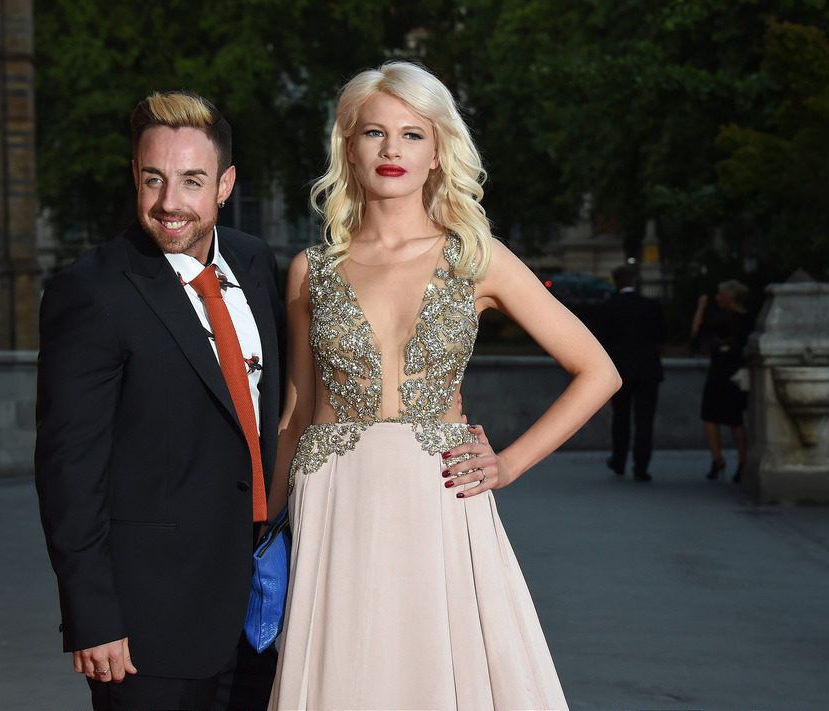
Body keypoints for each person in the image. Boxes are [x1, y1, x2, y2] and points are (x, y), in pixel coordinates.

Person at [265, 62, 621, 710]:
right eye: (374, 132)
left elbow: (599, 370)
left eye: (412, 134)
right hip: (334, 499)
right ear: (348, 145)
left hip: (440, 497)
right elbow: (295, 413)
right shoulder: (309, 271)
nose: (392, 150)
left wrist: (508, 463)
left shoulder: (475, 255)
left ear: (437, 152)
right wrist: (257, 526)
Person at [35, 91, 283, 710]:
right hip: (150, 626)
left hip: (267, 610)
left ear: (224, 185)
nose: (169, 203)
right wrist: (92, 615)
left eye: (192, 181)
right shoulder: (90, 292)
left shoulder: (257, 265)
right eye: (154, 179)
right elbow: (70, 469)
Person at [598, 265, 667, 481]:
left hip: (619, 371)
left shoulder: (609, 306)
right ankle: (641, 466)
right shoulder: (650, 306)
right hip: (648, 370)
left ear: (615, 281)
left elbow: (601, 340)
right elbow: (662, 337)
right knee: (645, 420)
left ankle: (619, 461)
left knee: (621, 417)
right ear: (635, 281)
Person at [691, 279, 751, 482]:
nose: (717, 298)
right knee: (736, 421)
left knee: (710, 416)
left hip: (720, 373)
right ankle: (743, 462)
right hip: (737, 373)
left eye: (720, 294)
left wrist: (700, 307)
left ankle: (718, 459)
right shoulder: (747, 319)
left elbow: (696, 333)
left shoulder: (722, 318)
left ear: (729, 297)